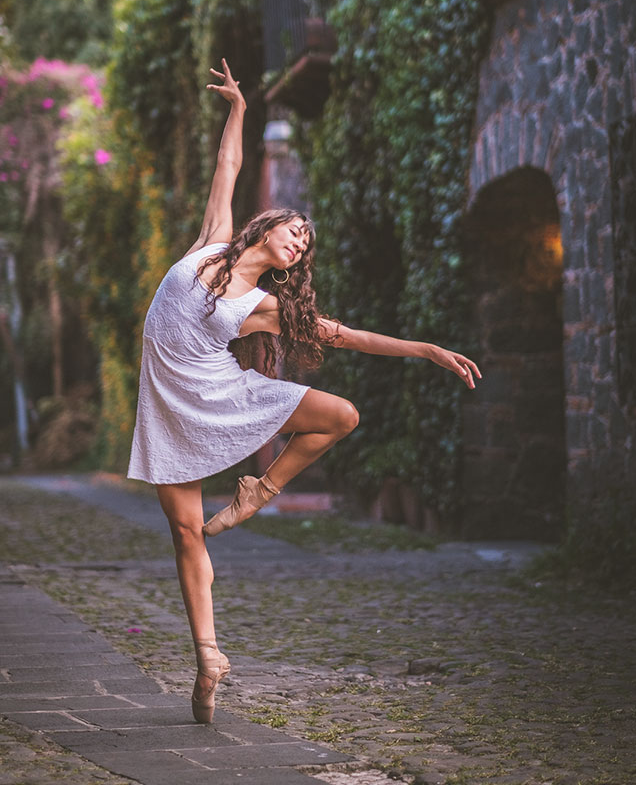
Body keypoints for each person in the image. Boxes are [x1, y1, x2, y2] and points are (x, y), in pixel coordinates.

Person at [127, 59, 481, 724]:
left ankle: (261, 491)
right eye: (296, 230)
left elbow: (344, 336)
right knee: (183, 533)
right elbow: (228, 169)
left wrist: (425, 349)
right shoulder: (210, 245)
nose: (301, 241)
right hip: (167, 405)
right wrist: (237, 108)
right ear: (266, 226)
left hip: (219, 392)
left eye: (307, 243)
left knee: (339, 414)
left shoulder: (262, 306)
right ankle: (208, 656)